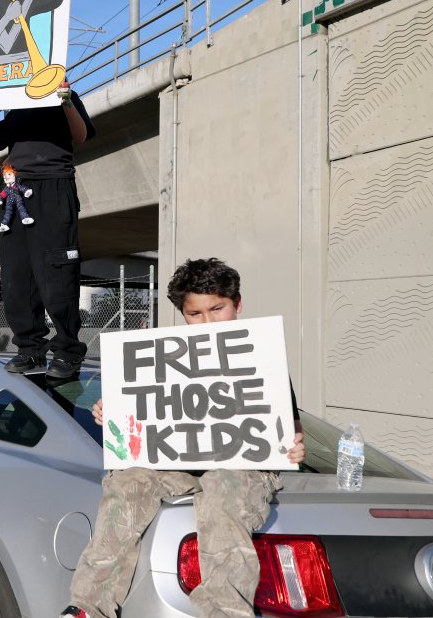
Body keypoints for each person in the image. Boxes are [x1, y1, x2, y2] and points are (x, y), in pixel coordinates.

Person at [60, 258, 306, 618]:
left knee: (224, 498)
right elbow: (133, 423)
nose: (206, 321)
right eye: (195, 313)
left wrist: (295, 445)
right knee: (125, 487)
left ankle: (225, 612)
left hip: (239, 468)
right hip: (170, 466)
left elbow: (292, 431)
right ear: (182, 314)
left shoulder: (260, 356)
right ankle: (86, 607)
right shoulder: (158, 357)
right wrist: (110, 417)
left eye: (217, 309)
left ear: (237, 304)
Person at [0, 80, 95, 380]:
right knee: (15, 277)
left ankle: (67, 351)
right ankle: (29, 349)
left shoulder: (64, 96)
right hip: (15, 193)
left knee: (56, 272)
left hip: (53, 188)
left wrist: (65, 101)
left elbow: (81, 135)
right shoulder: (19, 103)